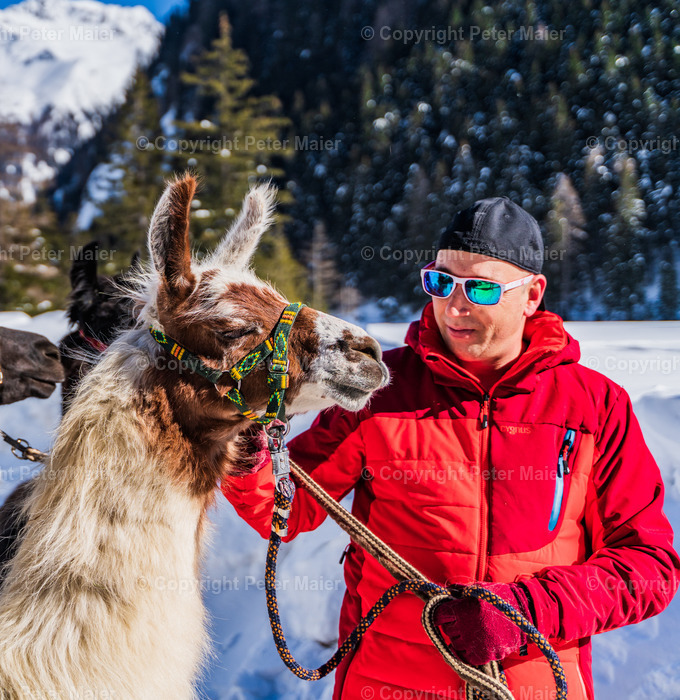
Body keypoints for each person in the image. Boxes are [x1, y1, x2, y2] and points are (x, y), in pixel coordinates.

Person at [223, 197, 679, 699]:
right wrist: (245, 446)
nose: (455, 306)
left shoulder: (593, 407)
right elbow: (287, 509)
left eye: (481, 288)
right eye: (442, 282)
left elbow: (649, 567)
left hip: (535, 687)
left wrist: (525, 610)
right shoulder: (380, 392)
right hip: (385, 683)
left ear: (532, 295)